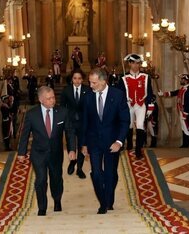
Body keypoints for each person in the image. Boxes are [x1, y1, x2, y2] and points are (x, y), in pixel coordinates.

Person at [18, 86, 76, 216]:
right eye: (49, 99)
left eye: (53, 97)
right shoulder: (32, 114)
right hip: (38, 153)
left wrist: (72, 149)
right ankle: (42, 207)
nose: (52, 101)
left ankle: (57, 200)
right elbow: (25, 134)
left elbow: (70, 132)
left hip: (56, 153)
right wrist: (21, 152)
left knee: (56, 179)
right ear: (41, 100)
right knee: (41, 179)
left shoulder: (62, 112)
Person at [81, 68, 130, 214]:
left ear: (103, 81)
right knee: (96, 173)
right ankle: (103, 202)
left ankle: (109, 200)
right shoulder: (88, 97)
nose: (91, 85)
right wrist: (83, 144)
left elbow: (124, 121)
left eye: (94, 82)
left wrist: (119, 141)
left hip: (112, 143)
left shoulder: (118, 95)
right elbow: (85, 122)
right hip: (94, 142)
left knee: (111, 174)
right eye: (90, 82)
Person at [118, 53, 153, 159]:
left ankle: (138, 150)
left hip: (141, 105)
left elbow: (150, 92)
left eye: (138, 63)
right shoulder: (123, 78)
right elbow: (120, 93)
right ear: (129, 64)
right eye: (133, 63)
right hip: (129, 105)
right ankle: (128, 145)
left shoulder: (146, 77)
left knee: (140, 125)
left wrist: (150, 106)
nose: (136, 66)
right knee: (128, 125)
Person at [60, 69, 90, 179]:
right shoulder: (66, 90)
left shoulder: (87, 90)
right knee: (70, 143)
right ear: (72, 79)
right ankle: (72, 161)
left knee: (82, 144)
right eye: (75, 78)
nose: (77, 80)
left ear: (82, 79)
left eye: (79, 78)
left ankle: (80, 169)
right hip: (70, 122)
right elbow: (62, 107)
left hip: (83, 122)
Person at [158, 74, 189, 148]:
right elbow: (173, 93)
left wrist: (185, 113)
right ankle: (184, 144)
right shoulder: (182, 89)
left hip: (185, 112)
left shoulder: (188, 90)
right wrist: (163, 94)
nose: (181, 80)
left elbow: (188, 103)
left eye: (182, 79)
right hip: (181, 111)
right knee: (183, 128)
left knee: (186, 128)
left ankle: (186, 144)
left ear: (186, 80)